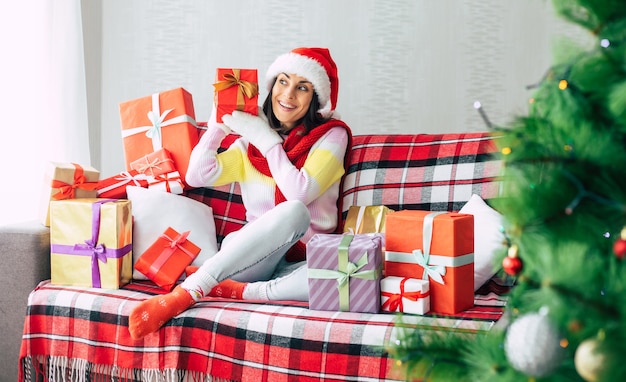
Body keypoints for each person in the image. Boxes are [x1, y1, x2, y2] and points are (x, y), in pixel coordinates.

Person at [128, 47, 352, 340]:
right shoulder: (249, 147)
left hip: (304, 262)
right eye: (283, 82)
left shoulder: (332, 136)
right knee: (293, 213)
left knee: (352, 275)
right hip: (250, 258)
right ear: (271, 87)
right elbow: (197, 175)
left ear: (316, 98)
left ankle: (243, 293)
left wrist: (264, 136)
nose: (288, 94)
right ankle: (190, 291)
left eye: (302, 87)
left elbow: (300, 189)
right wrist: (216, 127)